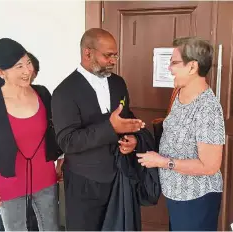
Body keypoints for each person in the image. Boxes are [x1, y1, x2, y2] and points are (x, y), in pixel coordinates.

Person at [51, 28, 152, 231]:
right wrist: (110, 128)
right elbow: (67, 141)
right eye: (108, 55)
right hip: (84, 182)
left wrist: (132, 138)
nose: (113, 60)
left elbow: (127, 118)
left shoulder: (118, 83)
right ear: (87, 53)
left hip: (119, 175)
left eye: (115, 55)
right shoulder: (65, 91)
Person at [137, 37, 225, 231]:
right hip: (175, 193)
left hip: (196, 198)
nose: (169, 68)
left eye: (174, 63)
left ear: (192, 67)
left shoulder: (207, 109)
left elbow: (210, 166)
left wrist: (162, 162)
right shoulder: (178, 92)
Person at [0, 38, 61, 231]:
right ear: (0, 72)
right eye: (18, 66)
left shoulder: (43, 94)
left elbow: (56, 128)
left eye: (28, 63)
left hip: (46, 180)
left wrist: (62, 158)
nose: (27, 70)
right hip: (10, 186)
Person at [0, 52, 40, 231]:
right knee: (1, 223)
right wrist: (1, 174)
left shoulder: (34, 100)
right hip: (9, 181)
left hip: (32, 180)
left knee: (28, 221)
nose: (29, 77)